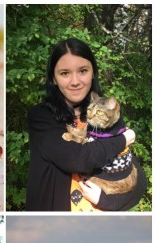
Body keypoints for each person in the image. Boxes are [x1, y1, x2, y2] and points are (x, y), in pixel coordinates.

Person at [26, 38, 144, 211]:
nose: (75, 81)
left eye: (83, 71)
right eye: (65, 73)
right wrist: (124, 139)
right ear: (53, 78)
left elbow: (138, 181)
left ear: (93, 72)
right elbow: (78, 159)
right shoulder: (42, 117)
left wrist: (106, 200)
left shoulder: (105, 117)